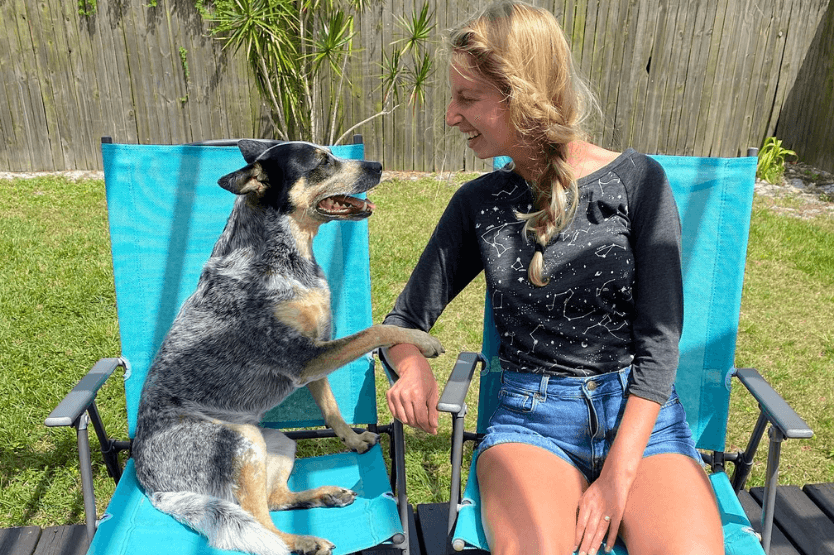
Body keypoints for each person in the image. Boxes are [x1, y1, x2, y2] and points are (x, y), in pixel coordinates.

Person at [381, 2, 724, 554]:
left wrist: (616, 478)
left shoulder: (639, 182)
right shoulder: (478, 203)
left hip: (641, 420)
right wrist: (411, 363)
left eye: (467, 98)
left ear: (523, 96)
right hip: (532, 423)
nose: (450, 115)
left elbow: (660, 346)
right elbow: (402, 322)